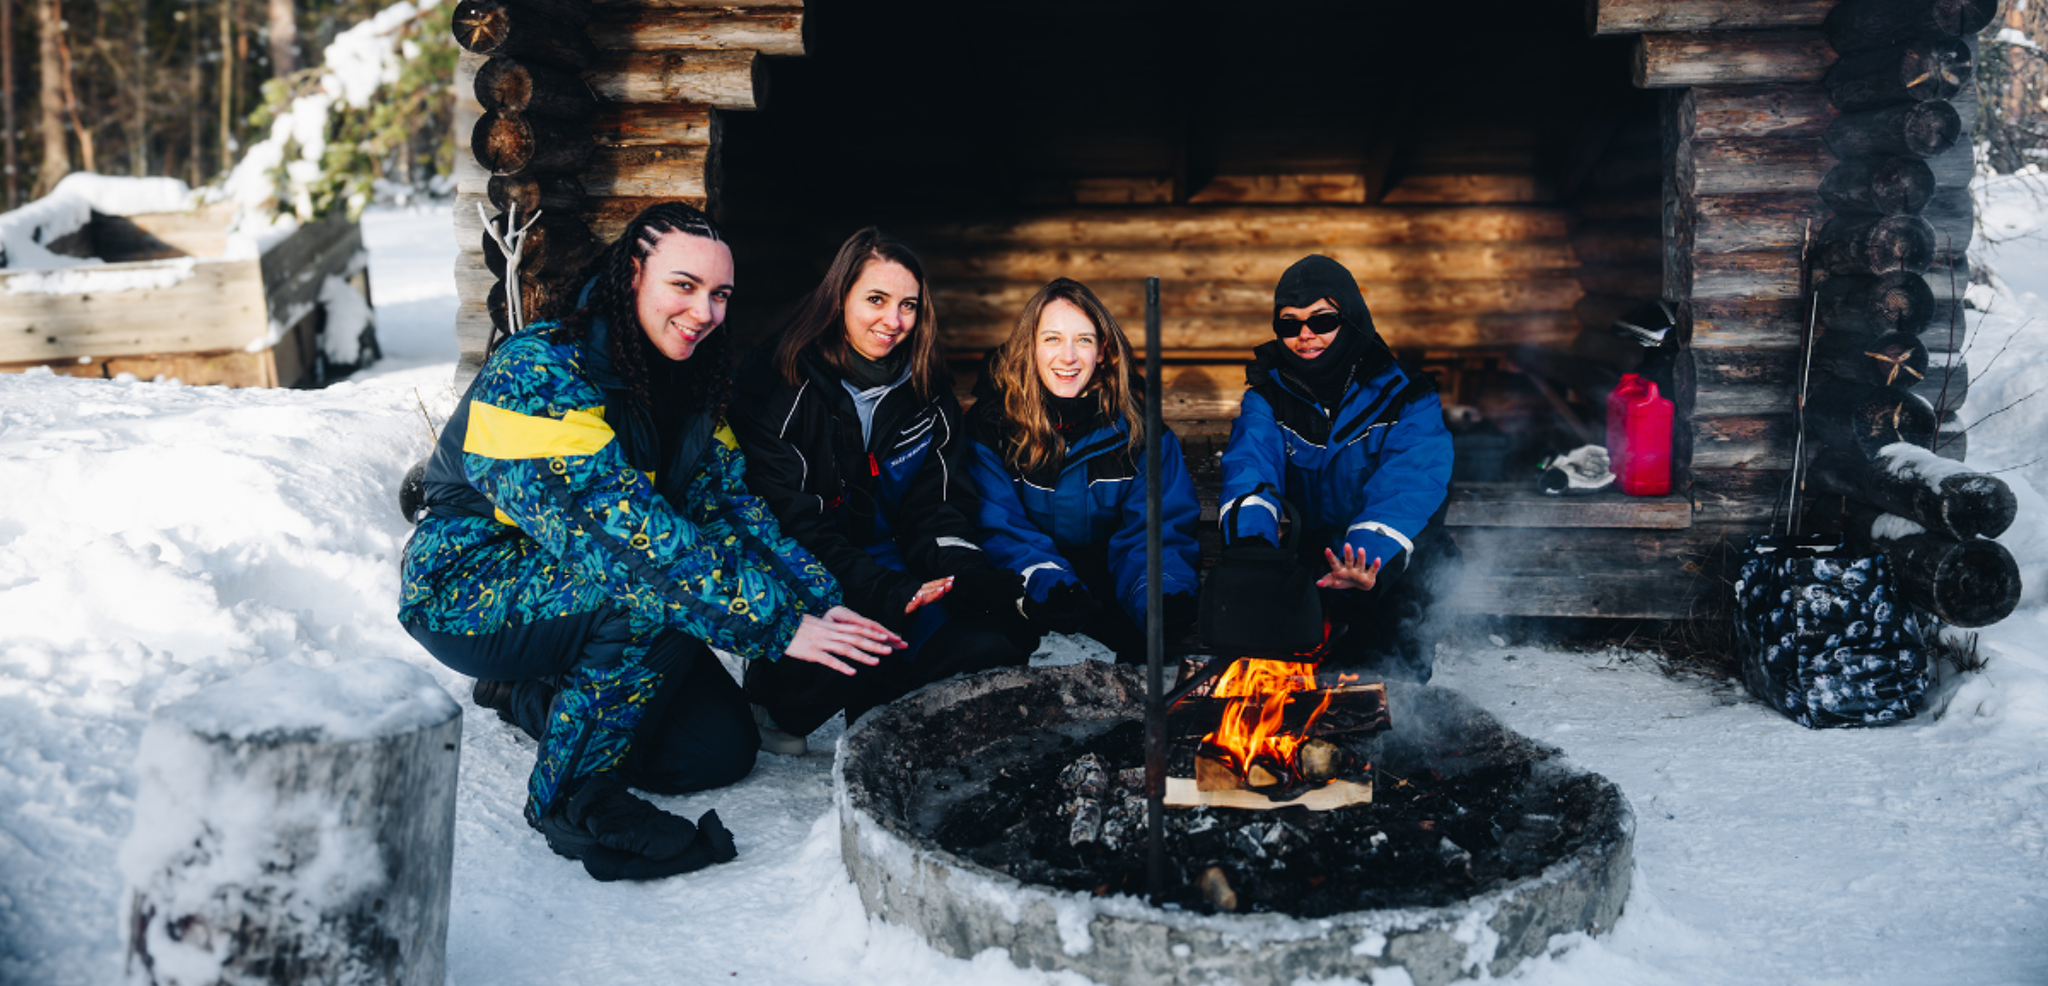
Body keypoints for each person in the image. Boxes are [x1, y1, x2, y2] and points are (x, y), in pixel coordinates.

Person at [398, 203, 902, 882]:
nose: (705, 311)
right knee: (646, 593)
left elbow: (731, 513)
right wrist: (777, 623)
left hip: (587, 588)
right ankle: (571, 795)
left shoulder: (691, 389)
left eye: (720, 295)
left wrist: (818, 600)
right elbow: (624, 542)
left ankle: (522, 692)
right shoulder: (538, 371)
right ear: (631, 274)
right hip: (465, 588)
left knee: (717, 753)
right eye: (685, 286)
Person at [729, 227, 1034, 751]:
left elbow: (938, 507)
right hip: (809, 571)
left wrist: (963, 574)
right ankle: (775, 696)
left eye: (908, 306)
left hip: (897, 569)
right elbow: (789, 522)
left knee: (994, 637)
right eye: (876, 300)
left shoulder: (926, 390)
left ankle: (883, 706)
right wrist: (883, 592)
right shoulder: (779, 381)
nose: (893, 322)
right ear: (839, 297)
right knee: (860, 632)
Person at [1216, 254, 1456, 681]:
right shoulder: (1268, 395)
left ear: (1351, 319)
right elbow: (1251, 465)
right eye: (1289, 324)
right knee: (1290, 687)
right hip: (1312, 560)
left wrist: (1365, 558)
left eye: (1322, 320)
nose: (1305, 335)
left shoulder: (1407, 398)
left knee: (1383, 686)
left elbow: (1411, 484)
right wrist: (1252, 544)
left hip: (1381, 567)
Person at [964, 277, 1201, 661]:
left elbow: (1155, 530)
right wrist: (1047, 583)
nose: (1068, 357)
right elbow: (999, 528)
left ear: (1103, 351)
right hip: (1025, 592)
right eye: (1052, 339)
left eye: (1084, 341)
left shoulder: (1140, 431)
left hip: (1109, 593)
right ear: (1030, 347)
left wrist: (1159, 592)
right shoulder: (992, 427)